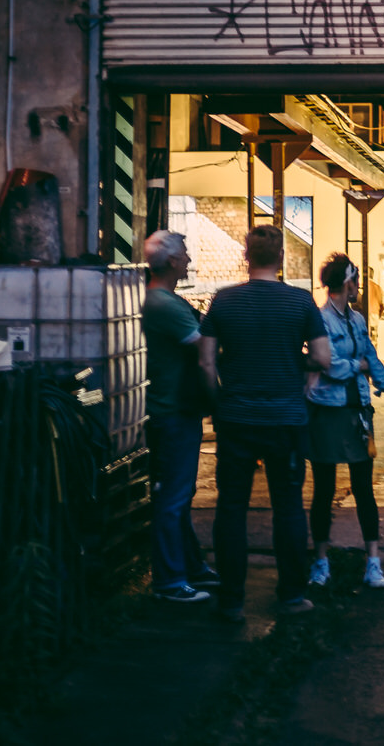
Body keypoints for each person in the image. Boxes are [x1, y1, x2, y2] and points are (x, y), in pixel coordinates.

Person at [199, 225, 331, 623]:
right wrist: (296, 363)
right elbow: (323, 358)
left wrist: (217, 403)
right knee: (288, 506)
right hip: (287, 421)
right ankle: (291, 595)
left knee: (231, 508)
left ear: (246, 256)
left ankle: (231, 601)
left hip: (236, 419)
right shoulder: (300, 302)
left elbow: (205, 361)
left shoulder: (223, 301)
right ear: (281, 259)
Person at [308, 254, 384, 590]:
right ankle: (320, 562)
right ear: (346, 282)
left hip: (358, 411)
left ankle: (373, 563)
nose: (360, 286)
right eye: (357, 280)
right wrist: (355, 366)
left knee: (363, 488)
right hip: (327, 411)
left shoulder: (356, 320)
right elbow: (329, 365)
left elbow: (371, 359)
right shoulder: (319, 320)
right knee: (324, 489)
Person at [141, 230, 219, 603]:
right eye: (185, 254)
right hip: (173, 413)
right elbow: (206, 345)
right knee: (172, 499)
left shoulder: (167, 300)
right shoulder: (164, 305)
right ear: (172, 262)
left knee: (179, 496)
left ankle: (192, 567)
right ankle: (170, 582)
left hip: (175, 410)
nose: (188, 260)